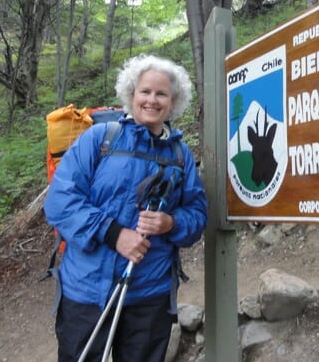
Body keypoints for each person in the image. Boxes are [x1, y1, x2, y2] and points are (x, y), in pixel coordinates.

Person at [44, 54, 208, 362]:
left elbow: (198, 214)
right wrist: (114, 234)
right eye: (145, 91)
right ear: (131, 95)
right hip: (86, 290)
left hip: (149, 294)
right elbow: (59, 202)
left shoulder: (180, 155)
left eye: (162, 94)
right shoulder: (99, 139)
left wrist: (170, 223)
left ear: (172, 102)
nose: (152, 100)